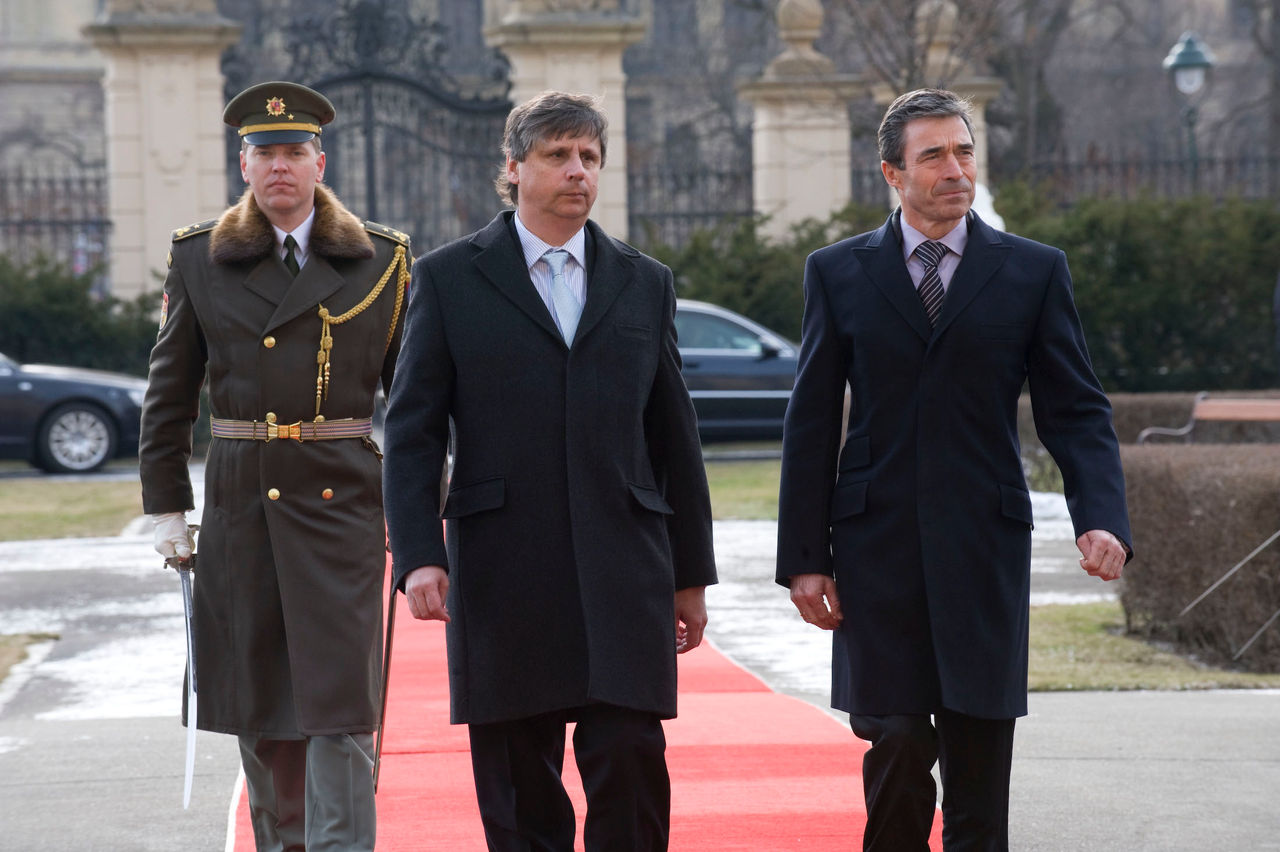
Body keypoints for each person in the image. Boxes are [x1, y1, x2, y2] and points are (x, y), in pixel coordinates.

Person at [775, 88, 1133, 851]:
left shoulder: (1033, 271)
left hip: (983, 544)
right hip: (877, 550)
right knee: (898, 740)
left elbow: (1076, 408)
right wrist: (805, 560)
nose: (954, 168)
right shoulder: (837, 273)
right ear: (892, 173)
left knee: (978, 771)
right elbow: (810, 421)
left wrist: (1100, 514)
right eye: (933, 154)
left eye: (964, 151)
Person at [382, 90, 716, 852]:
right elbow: (412, 431)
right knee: (519, 784)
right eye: (558, 155)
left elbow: (674, 438)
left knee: (630, 760)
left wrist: (689, 575)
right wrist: (419, 557)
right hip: (504, 564)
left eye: (590, 157)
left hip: (624, 563)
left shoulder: (644, 281)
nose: (577, 172)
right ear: (514, 167)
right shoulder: (447, 279)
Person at [139, 81, 412, 852]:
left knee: (341, 704)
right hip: (240, 506)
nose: (281, 166)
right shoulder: (200, 258)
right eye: (266, 153)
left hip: (344, 504)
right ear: (244, 166)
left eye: (295, 152)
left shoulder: (381, 262)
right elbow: (168, 398)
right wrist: (168, 510)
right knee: (261, 706)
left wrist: (422, 510)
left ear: (320, 162)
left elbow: (416, 405)